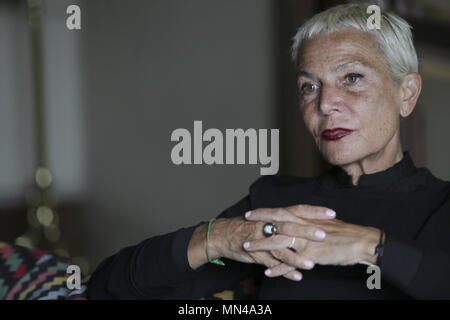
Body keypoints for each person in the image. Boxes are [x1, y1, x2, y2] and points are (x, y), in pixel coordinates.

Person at [87, 3, 450, 299]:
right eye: (309, 87)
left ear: (407, 93)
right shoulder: (276, 204)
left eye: (351, 78)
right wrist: (216, 237)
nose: (325, 104)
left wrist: (372, 246)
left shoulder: (440, 207)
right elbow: (109, 288)